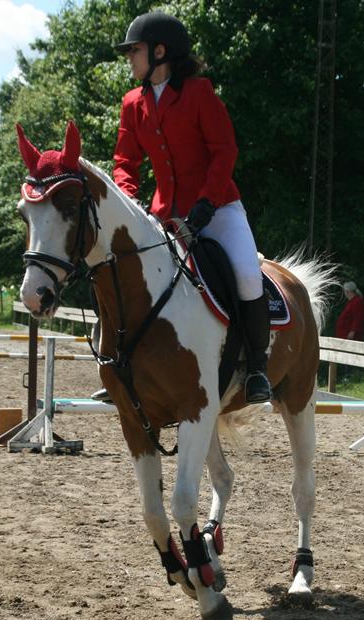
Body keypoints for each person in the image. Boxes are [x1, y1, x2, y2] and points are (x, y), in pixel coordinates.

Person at [108, 11, 271, 404]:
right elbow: (125, 162)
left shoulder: (199, 93)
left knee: (248, 277)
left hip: (217, 210)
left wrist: (206, 202)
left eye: (136, 50)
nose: (130, 58)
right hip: (163, 215)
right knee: (126, 276)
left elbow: (224, 151)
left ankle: (256, 368)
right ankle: (123, 364)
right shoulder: (133, 104)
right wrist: (131, 200)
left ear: (160, 52)